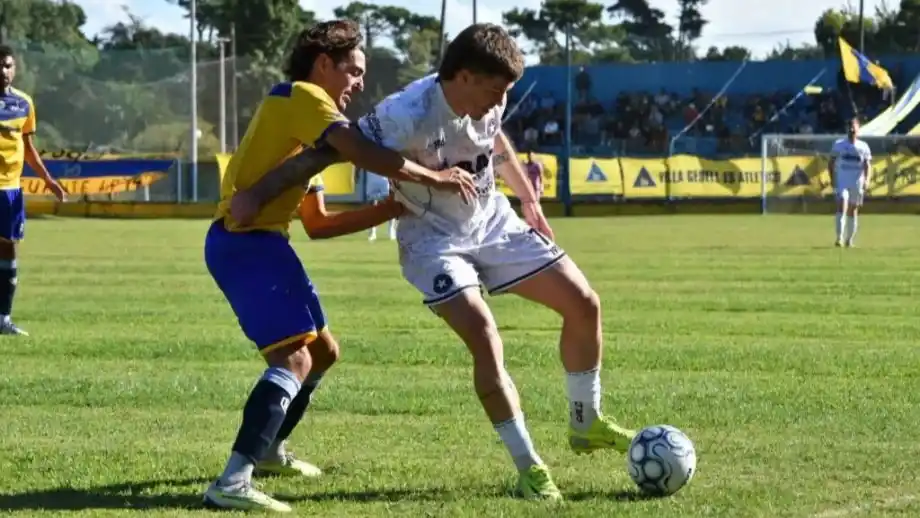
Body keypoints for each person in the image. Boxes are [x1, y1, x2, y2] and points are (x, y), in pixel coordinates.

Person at [231, 23, 635, 502]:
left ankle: (585, 424)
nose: (499, 99)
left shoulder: (493, 99)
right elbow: (328, 150)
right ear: (462, 76)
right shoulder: (406, 112)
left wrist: (529, 201)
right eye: (494, 89)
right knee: (485, 335)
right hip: (432, 240)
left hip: (493, 223)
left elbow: (496, 140)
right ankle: (531, 468)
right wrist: (257, 193)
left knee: (585, 303)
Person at [202, 20, 473, 513]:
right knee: (295, 360)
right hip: (245, 244)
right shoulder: (301, 95)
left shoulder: (305, 135)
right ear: (324, 63)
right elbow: (361, 150)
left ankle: (269, 453)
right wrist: (435, 177)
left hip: (264, 243)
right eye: (353, 70)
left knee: (321, 353)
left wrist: (390, 209)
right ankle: (232, 480)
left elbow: (319, 224)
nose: (359, 83)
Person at [0, 45, 66, 336]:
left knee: (9, 249)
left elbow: (28, 150)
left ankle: (3, 318)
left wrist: (48, 180)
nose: (4, 71)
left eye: (8, 65)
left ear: (14, 68)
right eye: (0, 66)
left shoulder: (23, 104)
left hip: (10, 191)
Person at [829, 117, 871, 247]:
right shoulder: (838, 145)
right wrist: (832, 179)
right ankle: (839, 238)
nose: (852, 129)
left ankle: (849, 239)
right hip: (842, 181)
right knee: (842, 205)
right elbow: (831, 163)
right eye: (850, 127)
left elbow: (867, 165)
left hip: (857, 182)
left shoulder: (863, 146)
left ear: (859, 129)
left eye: (854, 127)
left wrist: (867, 180)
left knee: (853, 211)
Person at [363, 169, 397, 241]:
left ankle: (391, 230)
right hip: (371, 180)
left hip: (384, 180)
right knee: (372, 206)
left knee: (389, 205)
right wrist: (356, 173)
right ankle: (372, 232)